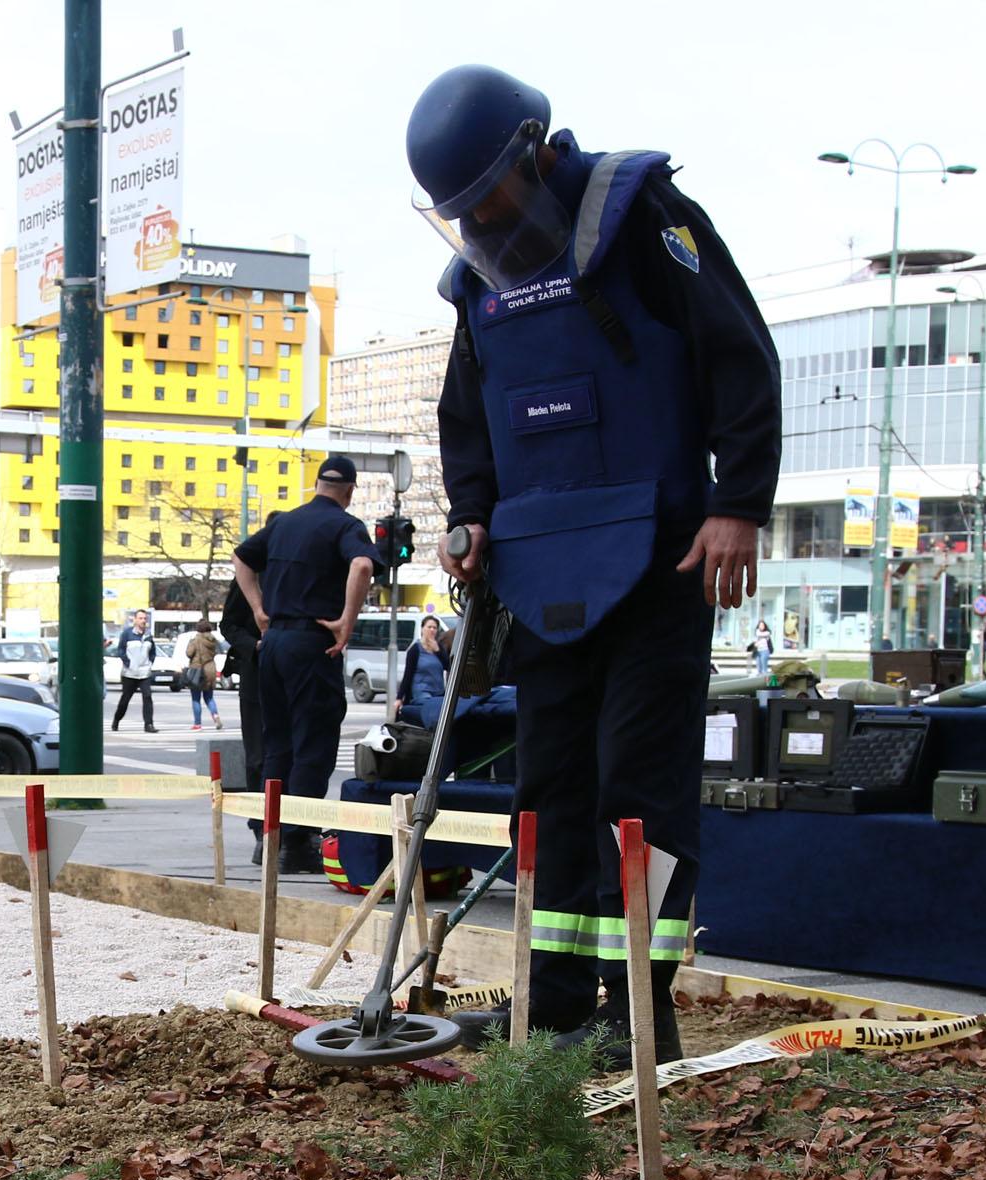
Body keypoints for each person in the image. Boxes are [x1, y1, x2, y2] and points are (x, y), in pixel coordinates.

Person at [409, 64, 780, 1063]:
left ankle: (639, 1012)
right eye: (465, 210)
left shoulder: (643, 215)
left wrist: (738, 502)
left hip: (662, 559)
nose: (485, 219)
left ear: (537, 150)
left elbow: (737, 353)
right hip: (539, 573)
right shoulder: (475, 290)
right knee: (551, 788)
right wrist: (472, 515)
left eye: (492, 194)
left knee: (638, 784)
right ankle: (555, 1001)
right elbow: (465, 419)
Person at [229, 454, 378, 873]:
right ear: (348, 490)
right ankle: (297, 843)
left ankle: (268, 838)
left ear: (316, 484)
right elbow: (363, 564)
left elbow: (242, 558)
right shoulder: (346, 526)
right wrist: (347, 620)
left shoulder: (284, 522)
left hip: (273, 644)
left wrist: (259, 609)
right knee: (313, 745)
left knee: (277, 745)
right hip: (313, 644)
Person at [219, 573, 267, 862]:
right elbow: (229, 624)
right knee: (258, 757)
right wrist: (255, 645)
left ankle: (297, 831)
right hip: (257, 672)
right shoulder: (251, 576)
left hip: (295, 671)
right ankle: (261, 830)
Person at [111, 609, 158, 732]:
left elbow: (153, 652)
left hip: (144, 673)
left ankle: (149, 724)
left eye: (144, 619)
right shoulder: (127, 634)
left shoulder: (148, 636)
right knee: (125, 699)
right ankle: (116, 720)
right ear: (135, 620)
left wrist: (150, 663)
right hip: (130, 673)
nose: (143, 621)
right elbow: (120, 650)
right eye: (141, 618)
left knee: (147, 697)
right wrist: (127, 662)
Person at [184, 616, 223, 731]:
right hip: (211, 669)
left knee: (196, 698)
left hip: (198, 669)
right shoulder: (213, 640)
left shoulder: (196, 640)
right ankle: (215, 715)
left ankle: (197, 723)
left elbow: (189, 653)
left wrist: (191, 643)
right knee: (209, 697)